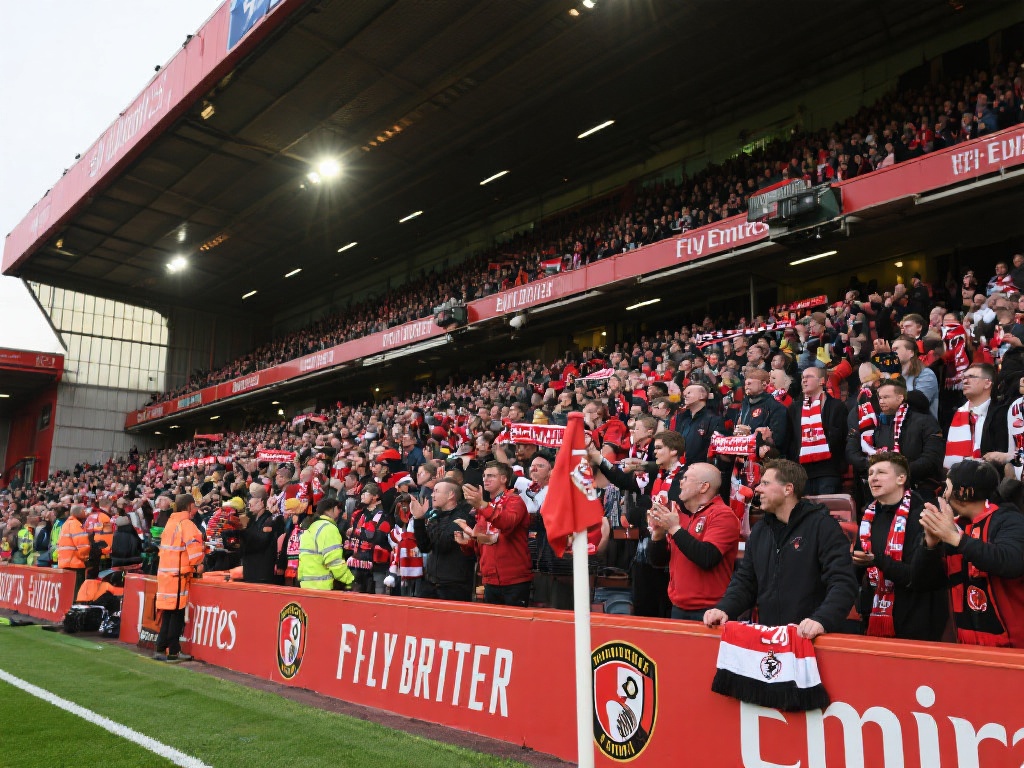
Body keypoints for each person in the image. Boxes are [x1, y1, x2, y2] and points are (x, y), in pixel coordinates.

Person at [704, 459, 858, 638]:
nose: (757, 489)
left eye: (765, 483)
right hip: (770, 640)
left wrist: (822, 620)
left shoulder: (823, 526)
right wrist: (724, 609)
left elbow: (843, 583)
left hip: (811, 640)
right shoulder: (760, 530)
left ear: (788, 489)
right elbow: (745, 582)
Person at [912, 460, 1024, 647]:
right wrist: (929, 545)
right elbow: (921, 581)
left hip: (1013, 647)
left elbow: (1012, 562)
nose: (943, 494)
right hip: (965, 645)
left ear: (964, 492)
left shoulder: (1009, 519)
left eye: (947, 487)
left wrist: (956, 538)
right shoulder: (952, 526)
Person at [852, 452, 947, 640]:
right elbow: (857, 570)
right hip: (873, 620)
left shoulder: (922, 514)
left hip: (917, 625)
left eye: (881, 472)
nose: (873, 478)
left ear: (901, 478)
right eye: (870, 473)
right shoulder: (869, 516)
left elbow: (916, 577)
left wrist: (877, 560)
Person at [647, 462, 741, 621]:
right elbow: (658, 562)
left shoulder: (723, 515)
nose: (680, 482)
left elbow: (707, 557)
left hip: (710, 611)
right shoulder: (679, 516)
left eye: (686, 478)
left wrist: (674, 529)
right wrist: (658, 535)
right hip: (678, 607)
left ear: (703, 487)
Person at [846, 378, 944, 496]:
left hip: (918, 490)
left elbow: (932, 458)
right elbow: (853, 452)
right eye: (880, 397)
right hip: (880, 492)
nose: (881, 401)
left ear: (900, 397)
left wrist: (897, 471)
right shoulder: (873, 424)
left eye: (886, 397)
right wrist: (876, 468)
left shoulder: (925, 422)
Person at [459, 461, 531, 607]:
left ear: (504, 479)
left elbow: (507, 523)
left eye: (491, 476)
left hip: (514, 580)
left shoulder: (514, 500)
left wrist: (482, 505)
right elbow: (480, 543)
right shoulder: (485, 506)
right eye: (484, 476)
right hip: (490, 579)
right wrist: (466, 543)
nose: (485, 479)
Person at [154, 495, 204, 662]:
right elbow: (195, 553)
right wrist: (199, 562)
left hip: (166, 574)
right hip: (178, 575)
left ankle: (161, 648)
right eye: (194, 506)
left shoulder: (171, 522)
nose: (195, 510)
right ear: (189, 506)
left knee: (169, 613)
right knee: (176, 615)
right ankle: (173, 651)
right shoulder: (186, 524)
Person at [411, 478, 476, 601]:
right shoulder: (437, 515)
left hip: (454, 587)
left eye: (436, 491)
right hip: (431, 584)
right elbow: (424, 547)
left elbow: (443, 544)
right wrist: (418, 519)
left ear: (450, 495)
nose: (432, 495)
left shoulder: (463, 517)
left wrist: (434, 520)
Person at [787, 366, 849, 495]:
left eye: (809, 377)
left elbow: (840, 437)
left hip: (828, 471)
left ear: (822, 381)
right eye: (802, 377)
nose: (804, 380)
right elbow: (791, 438)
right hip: (802, 473)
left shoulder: (836, 406)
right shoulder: (795, 408)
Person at [298, 497, 354, 590]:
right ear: (330, 509)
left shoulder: (312, 526)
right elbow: (334, 561)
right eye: (338, 508)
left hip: (306, 585)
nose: (340, 511)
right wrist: (350, 580)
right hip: (324, 587)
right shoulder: (329, 528)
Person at [238, 485, 283, 584]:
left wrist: (242, 534)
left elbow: (261, 541)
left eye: (252, 498)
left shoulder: (269, 520)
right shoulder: (251, 521)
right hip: (249, 571)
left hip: (262, 573)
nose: (249, 502)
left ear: (262, 502)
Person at [57, 504, 91, 593]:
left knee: (68, 591)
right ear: (80, 512)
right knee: (77, 592)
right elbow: (83, 545)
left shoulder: (66, 524)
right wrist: (86, 558)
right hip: (75, 564)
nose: (86, 513)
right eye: (84, 511)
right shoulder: (76, 525)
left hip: (65, 563)